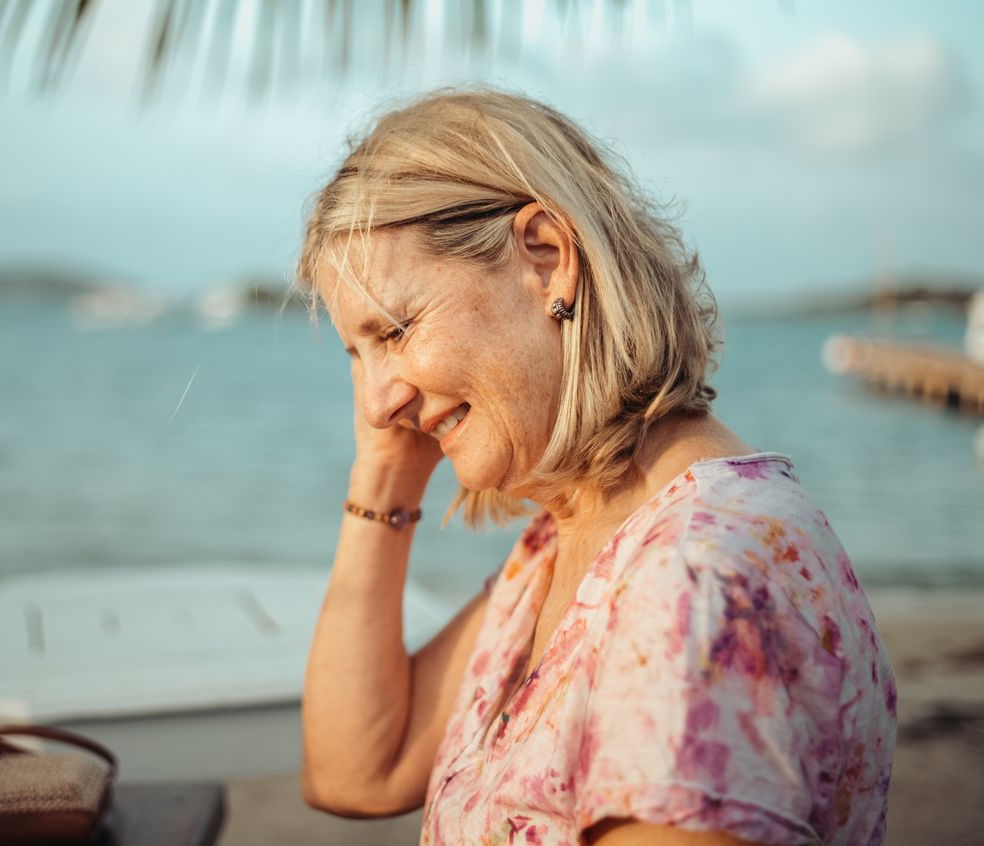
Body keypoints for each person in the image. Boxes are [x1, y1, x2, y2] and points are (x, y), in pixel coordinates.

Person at [296, 89, 896, 846]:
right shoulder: (569, 540)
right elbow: (356, 770)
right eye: (357, 355)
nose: (378, 401)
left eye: (397, 330)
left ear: (546, 258)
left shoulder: (692, 579)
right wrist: (384, 468)